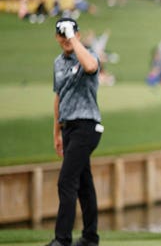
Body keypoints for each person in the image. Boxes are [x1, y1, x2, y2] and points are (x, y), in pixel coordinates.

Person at [47, 18, 103, 246]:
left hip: (87, 125)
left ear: (77, 36)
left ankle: (62, 240)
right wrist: (56, 132)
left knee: (66, 181)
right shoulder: (58, 63)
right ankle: (90, 237)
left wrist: (73, 40)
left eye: (70, 34)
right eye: (62, 34)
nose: (66, 38)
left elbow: (90, 67)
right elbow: (58, 96)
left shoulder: (88, 56)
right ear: (56, 38)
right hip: (69, 128)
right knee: (84, 182)